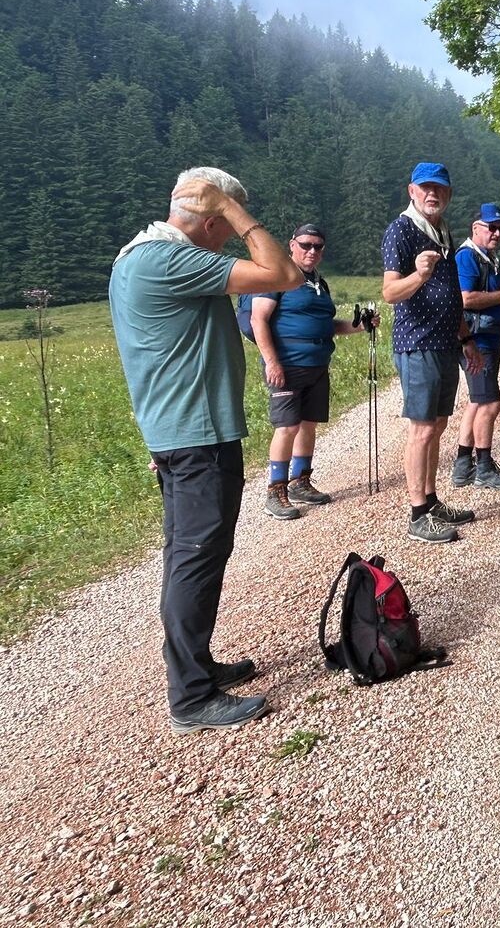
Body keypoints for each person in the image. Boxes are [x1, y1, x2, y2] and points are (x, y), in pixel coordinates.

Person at [109, 165, 302, 734]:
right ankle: (191, 696)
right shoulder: (170, 259)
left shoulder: (137, 256)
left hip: (180, 433)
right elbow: (283, 273)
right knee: (195, 558)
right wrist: (238, 211)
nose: (228, 238)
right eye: (225, 225)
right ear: (215, 220)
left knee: (189, 555)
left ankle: (197, 665)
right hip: (196, 436)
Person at [381, 162, 486, 543]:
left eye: (439, 188)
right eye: (425, 188)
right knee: (423, 429)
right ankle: (417, 514)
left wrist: (466, 340)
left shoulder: (442, 231)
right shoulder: (401, 230)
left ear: (448, 194)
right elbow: (390, 293)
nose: (432, 194)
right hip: (416, 343)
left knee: (438, 425)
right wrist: (419, 275)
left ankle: (430, 500)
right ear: (412, 191)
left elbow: (452, 294)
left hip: (444, 343)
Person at [249, 224, 374, 521]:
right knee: (287, 427)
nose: (312, 251)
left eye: (318, 246)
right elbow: (258, 319)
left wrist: (360, 326)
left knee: (308, 425)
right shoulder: (278, 276)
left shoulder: (319, 283)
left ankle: (300, 481)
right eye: (306, 245)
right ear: (292, 244)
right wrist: (271, 362)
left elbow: (327, 325)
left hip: (317, 363)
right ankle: (275, 490)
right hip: (287, 364)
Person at [452, 203, 500, 491]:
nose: (497, 233)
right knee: (490, 403)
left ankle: (462, 466)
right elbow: (466, 299)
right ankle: (483, 468)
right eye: (491, 227)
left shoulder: (487, 257)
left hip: (485, 339)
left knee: (477, 401)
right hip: (476, 341)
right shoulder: (467, 256)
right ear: (475, 228)